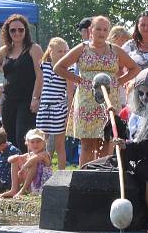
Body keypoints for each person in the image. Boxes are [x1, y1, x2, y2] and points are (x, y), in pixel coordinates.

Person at [54, 15, 140, 165]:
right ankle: (84, 178)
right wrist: (79, 80)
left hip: (108, 101)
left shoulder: (115, 50)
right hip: (87, 100)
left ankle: (101, 176)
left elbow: (135, 68)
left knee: (106, 142)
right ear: (90, 30)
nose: (101, 32)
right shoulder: (82, 48)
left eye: (105, 29)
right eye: (98, 29)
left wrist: (118, 82)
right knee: (87, 144)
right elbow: (59, 67)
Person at [111, 67, 148, 233]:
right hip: (134, 155)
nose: (144, 97)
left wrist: (128, 146)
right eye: (141, 93)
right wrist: (115, 122)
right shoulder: (134, 111)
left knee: (145, 175)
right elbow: (129, 134)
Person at [0, 14, 43, 152]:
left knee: (23, 137)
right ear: (7, 32)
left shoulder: (34, 49)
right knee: (9, 137)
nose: (17, 33)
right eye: (13, 30)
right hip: (7, 99)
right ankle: (12, 170)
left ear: (25, 31)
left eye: (20, 29)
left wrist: (36, 98)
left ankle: (27, 170)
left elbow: (40, 74)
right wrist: (8, 71)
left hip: (27, 100)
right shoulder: (5, 50)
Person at [37, 37, 74, 170]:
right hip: (44, 109)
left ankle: (61, 174)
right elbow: (41, 84)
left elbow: (70, 94)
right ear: (51, 51)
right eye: (60, 51)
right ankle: (43, 172)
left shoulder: (68, 70)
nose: (63, 54)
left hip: (59, 109)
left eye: (65, 51)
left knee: (59, 145)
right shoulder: (44, 66)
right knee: (42, 143)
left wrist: (68, 116)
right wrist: (36, 99)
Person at [0, 128, 53, 198]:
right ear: (27, 143)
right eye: (32, 142)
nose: (35, 144)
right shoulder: (29, 155)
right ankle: (14, 189)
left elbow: (32, 160)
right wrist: (15, 157)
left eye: (38, 141)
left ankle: (23, 190)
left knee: (32, 162)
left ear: (44, 143)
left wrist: (22, 169)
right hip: (32, 185)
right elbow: (10, 160)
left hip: (43, 186)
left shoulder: (44, 154)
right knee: (15, 160)